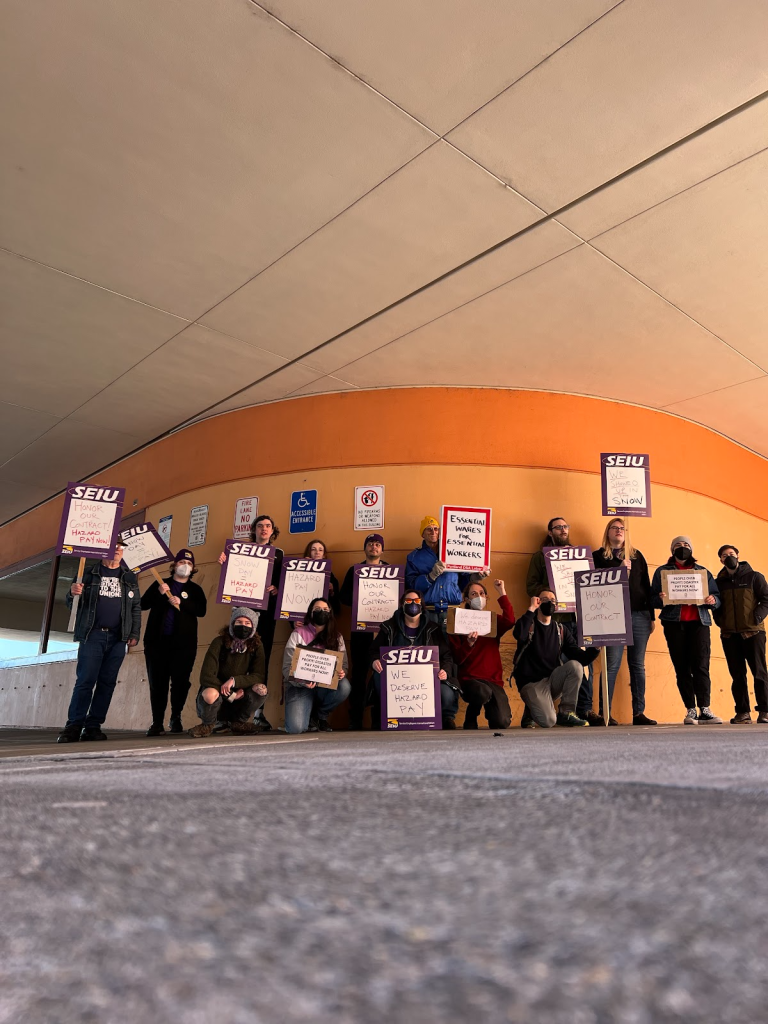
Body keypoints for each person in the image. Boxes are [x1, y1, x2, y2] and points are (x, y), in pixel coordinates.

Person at [57, 540, 141, 743]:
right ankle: (74, 726)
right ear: (104, 551)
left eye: (122, 549)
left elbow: (135, 608)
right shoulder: (88, 572)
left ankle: (93, 726)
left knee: (107, 683)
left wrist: (134, 633)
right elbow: (73, 605)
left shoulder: (129, 577)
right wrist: (72, 593)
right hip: (92, 635)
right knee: (86, 680)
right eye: (115, 547)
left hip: (118, 638)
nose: (119, 551)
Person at [525, 515, 595, 726]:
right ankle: (544, 710)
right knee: (555, 665)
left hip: (580, 619)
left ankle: (584, 710)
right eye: (558, 528)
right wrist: (552, 593)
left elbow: (590, 584)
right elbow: (531, 586)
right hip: (555, 620)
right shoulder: (540, 557)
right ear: (550, 532)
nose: (563, 530)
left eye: (565, 527)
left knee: (583, 667)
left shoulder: (580, 557)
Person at [218, 514, 282, 730]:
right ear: (254, 529)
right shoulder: (238, 550)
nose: (264, 529)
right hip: (242, 614)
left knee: (260, 661)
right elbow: (231, 579)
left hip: (267, 615)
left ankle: (258, 714)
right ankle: (225, 714)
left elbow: (285, 585)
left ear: (273, 531)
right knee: (233, 659)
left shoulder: (279, 554)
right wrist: (224, 563)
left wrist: (276, 590)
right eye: (260, 526)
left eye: (268, 526)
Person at [592, 518, 657, 726]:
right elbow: (594, 585)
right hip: (613, 615)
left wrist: (651, 615)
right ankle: (605, 713)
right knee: (611, 665)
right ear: (608, 532)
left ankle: (639, 712)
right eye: (615, 528)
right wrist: (618, 569)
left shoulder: (636, 556)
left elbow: (646, 585)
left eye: (623, 528)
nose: (619, 531)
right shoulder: (598, 556)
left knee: (637, 665)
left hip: (639, 614)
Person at [651, 536, 722, 725]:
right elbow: (652, 600)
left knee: (701, 666)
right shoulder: (662, 572)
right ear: (672, 549)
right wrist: (660, 598)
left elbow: (716, 596)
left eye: (685, 545)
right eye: (678, 546)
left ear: (691, 548)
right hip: (674, 625)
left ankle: (705, 709)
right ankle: (691, 710)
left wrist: (713, 601)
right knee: (681, 667)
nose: (682, 548)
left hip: (699, 623)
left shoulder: (702, 572)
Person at [140, 548, 207, 736]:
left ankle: (175, 717)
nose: (185, 566)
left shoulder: (195, 590)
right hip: (156, 644)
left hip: (184, 645)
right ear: (174, 565)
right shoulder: (160, 584)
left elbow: (201, 611)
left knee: (180, 682)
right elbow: (143, 604)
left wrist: (183, 603)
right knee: (157, 683)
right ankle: (157, 722)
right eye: (181, 563)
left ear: (193, 568)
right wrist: (159, 593)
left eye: (189, 564)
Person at [370, 590, 459, 729]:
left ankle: (443, 718)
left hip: (427, 681)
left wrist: (445, 671)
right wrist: (375, 660)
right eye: (408, 601)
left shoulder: (433, 628)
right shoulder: (389, 627)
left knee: (447, 694)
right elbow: (373, 650)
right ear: (402, 604)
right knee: (377, 676)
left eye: (416, 601)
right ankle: (382, 716)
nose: (413, 604)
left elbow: (446, 655)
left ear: (422, 605)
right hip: (397, 682)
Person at [512, 590, 598, 727]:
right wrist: (531, 609)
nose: (549, 602)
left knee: (575, 666)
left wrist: (596, 648)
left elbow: (581, 659)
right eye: (544, 599)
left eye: (553, 600)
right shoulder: (529, 625)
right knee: (548, 721)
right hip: (531, 683)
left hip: (552, 681)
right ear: (538, 602)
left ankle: (566, 713)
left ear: (556, 605)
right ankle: (531, 708)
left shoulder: (561, 630)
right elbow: (518, 634)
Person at [189, 607, 267, 737]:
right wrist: (230, 695)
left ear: (253, 626)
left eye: (247, 623)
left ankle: (239, 723)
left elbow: (258, 675)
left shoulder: (257, 646)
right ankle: (207, 725)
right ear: (232, 623)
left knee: (261, 689)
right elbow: (206, 676)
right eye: (239, 622)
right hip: (218, 693)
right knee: (209, 693)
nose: (243, 626)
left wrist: (234, 681)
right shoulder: (218, 642)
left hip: (240, 693)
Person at [449, 578, 515, 729]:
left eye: (482, 593)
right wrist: (469, 644)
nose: (478, 597)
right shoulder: (458, 621)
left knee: (501, 722)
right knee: (482, 692)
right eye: (473, 594)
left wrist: (502, 592)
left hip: (493, 680)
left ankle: (488, 711)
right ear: (466, 599)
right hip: (470, 680)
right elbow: (457, 658)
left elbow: (510, 620)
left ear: (486, 597)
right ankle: (471, 715)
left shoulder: (492, 620)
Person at [713, 544, 768, 724]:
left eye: (731, 554)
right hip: (729, 635)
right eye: (724, 555)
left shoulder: (754, 577)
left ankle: (765, 711)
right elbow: (716, 604)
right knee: (737, 676)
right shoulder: (718, 582)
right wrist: (720, 620)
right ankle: (742, 712)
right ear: (720, 560)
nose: (728, 557)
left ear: (738, 556)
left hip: (753, 633)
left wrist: (757, 616)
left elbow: (766, 598)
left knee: (759, 673)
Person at [339, 533, 388, 730]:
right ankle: (355, 720)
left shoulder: (390, 571)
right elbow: (343, 597)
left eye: (377, 544)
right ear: (365, 548)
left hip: (384, 632)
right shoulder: (354, 571)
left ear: (382, 549)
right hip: (361, 631)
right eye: (370, 544)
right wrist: (361, 598)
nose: (374, 547)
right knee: (358, 675)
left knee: (384, 675)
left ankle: (380, 719)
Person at [406, 515, 489, 630]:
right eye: (428, 529)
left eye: (436, 529)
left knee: (451, 646)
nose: (433, 532)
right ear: (422, 534)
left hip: (453, 609)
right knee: (430, 646)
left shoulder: (453, 550)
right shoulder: (414, 557)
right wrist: (430, 577)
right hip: (427, 611)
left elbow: (463, 581)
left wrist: (475, 577)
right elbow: (411, 586)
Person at [283, 597, 350, 734]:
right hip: (300, 686)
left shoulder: (337, 637)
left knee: (344, 686)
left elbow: (344, 665)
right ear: (310, 613)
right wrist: (302, 682)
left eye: (325, 609)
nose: (322, 612)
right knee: (296, 728)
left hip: (324, 687)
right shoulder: (297, 634)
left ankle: (320, 716)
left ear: (330, 613)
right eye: (317, 609)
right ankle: (308, 714)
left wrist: (341, 672)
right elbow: (287, 668)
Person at [302, 538, 340, 616]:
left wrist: (332, 591)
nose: (317, 552)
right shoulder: (297, 572)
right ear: (308, 553)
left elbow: (336, 606)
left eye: (320, 550)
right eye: (313, 549)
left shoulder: (329, 575)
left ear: (324, 555)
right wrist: (294, 621)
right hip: (304, 617)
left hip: (323, 619)